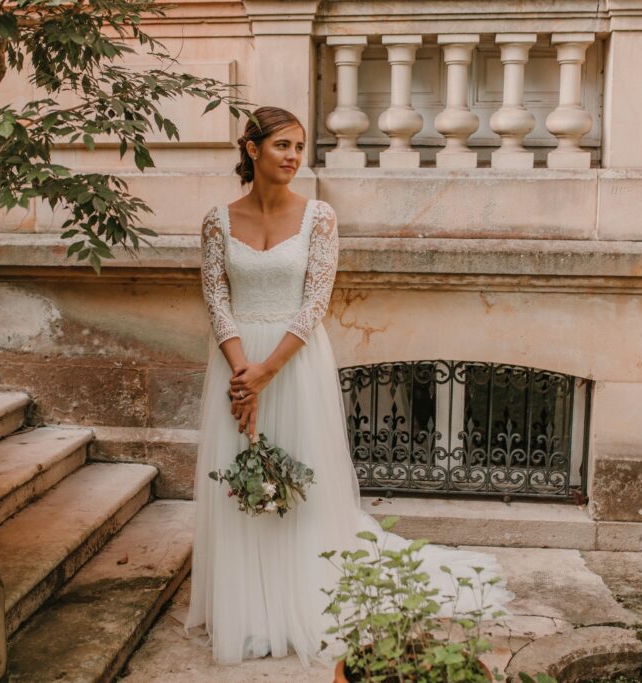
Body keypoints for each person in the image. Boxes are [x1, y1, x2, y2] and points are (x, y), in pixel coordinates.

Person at [184, 106, 513, 665]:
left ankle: (300, 602)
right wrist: (243, 375)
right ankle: (252, 611)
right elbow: (217, 300)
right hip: (237, 364)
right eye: (282, 145)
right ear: (252, 148)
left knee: (298, 487)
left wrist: (266, 372)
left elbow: (315, 304)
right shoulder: (217, 220)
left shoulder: (320, 218)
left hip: (294, 365)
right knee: (242, 486)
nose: (292, 157)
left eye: (298, 147)